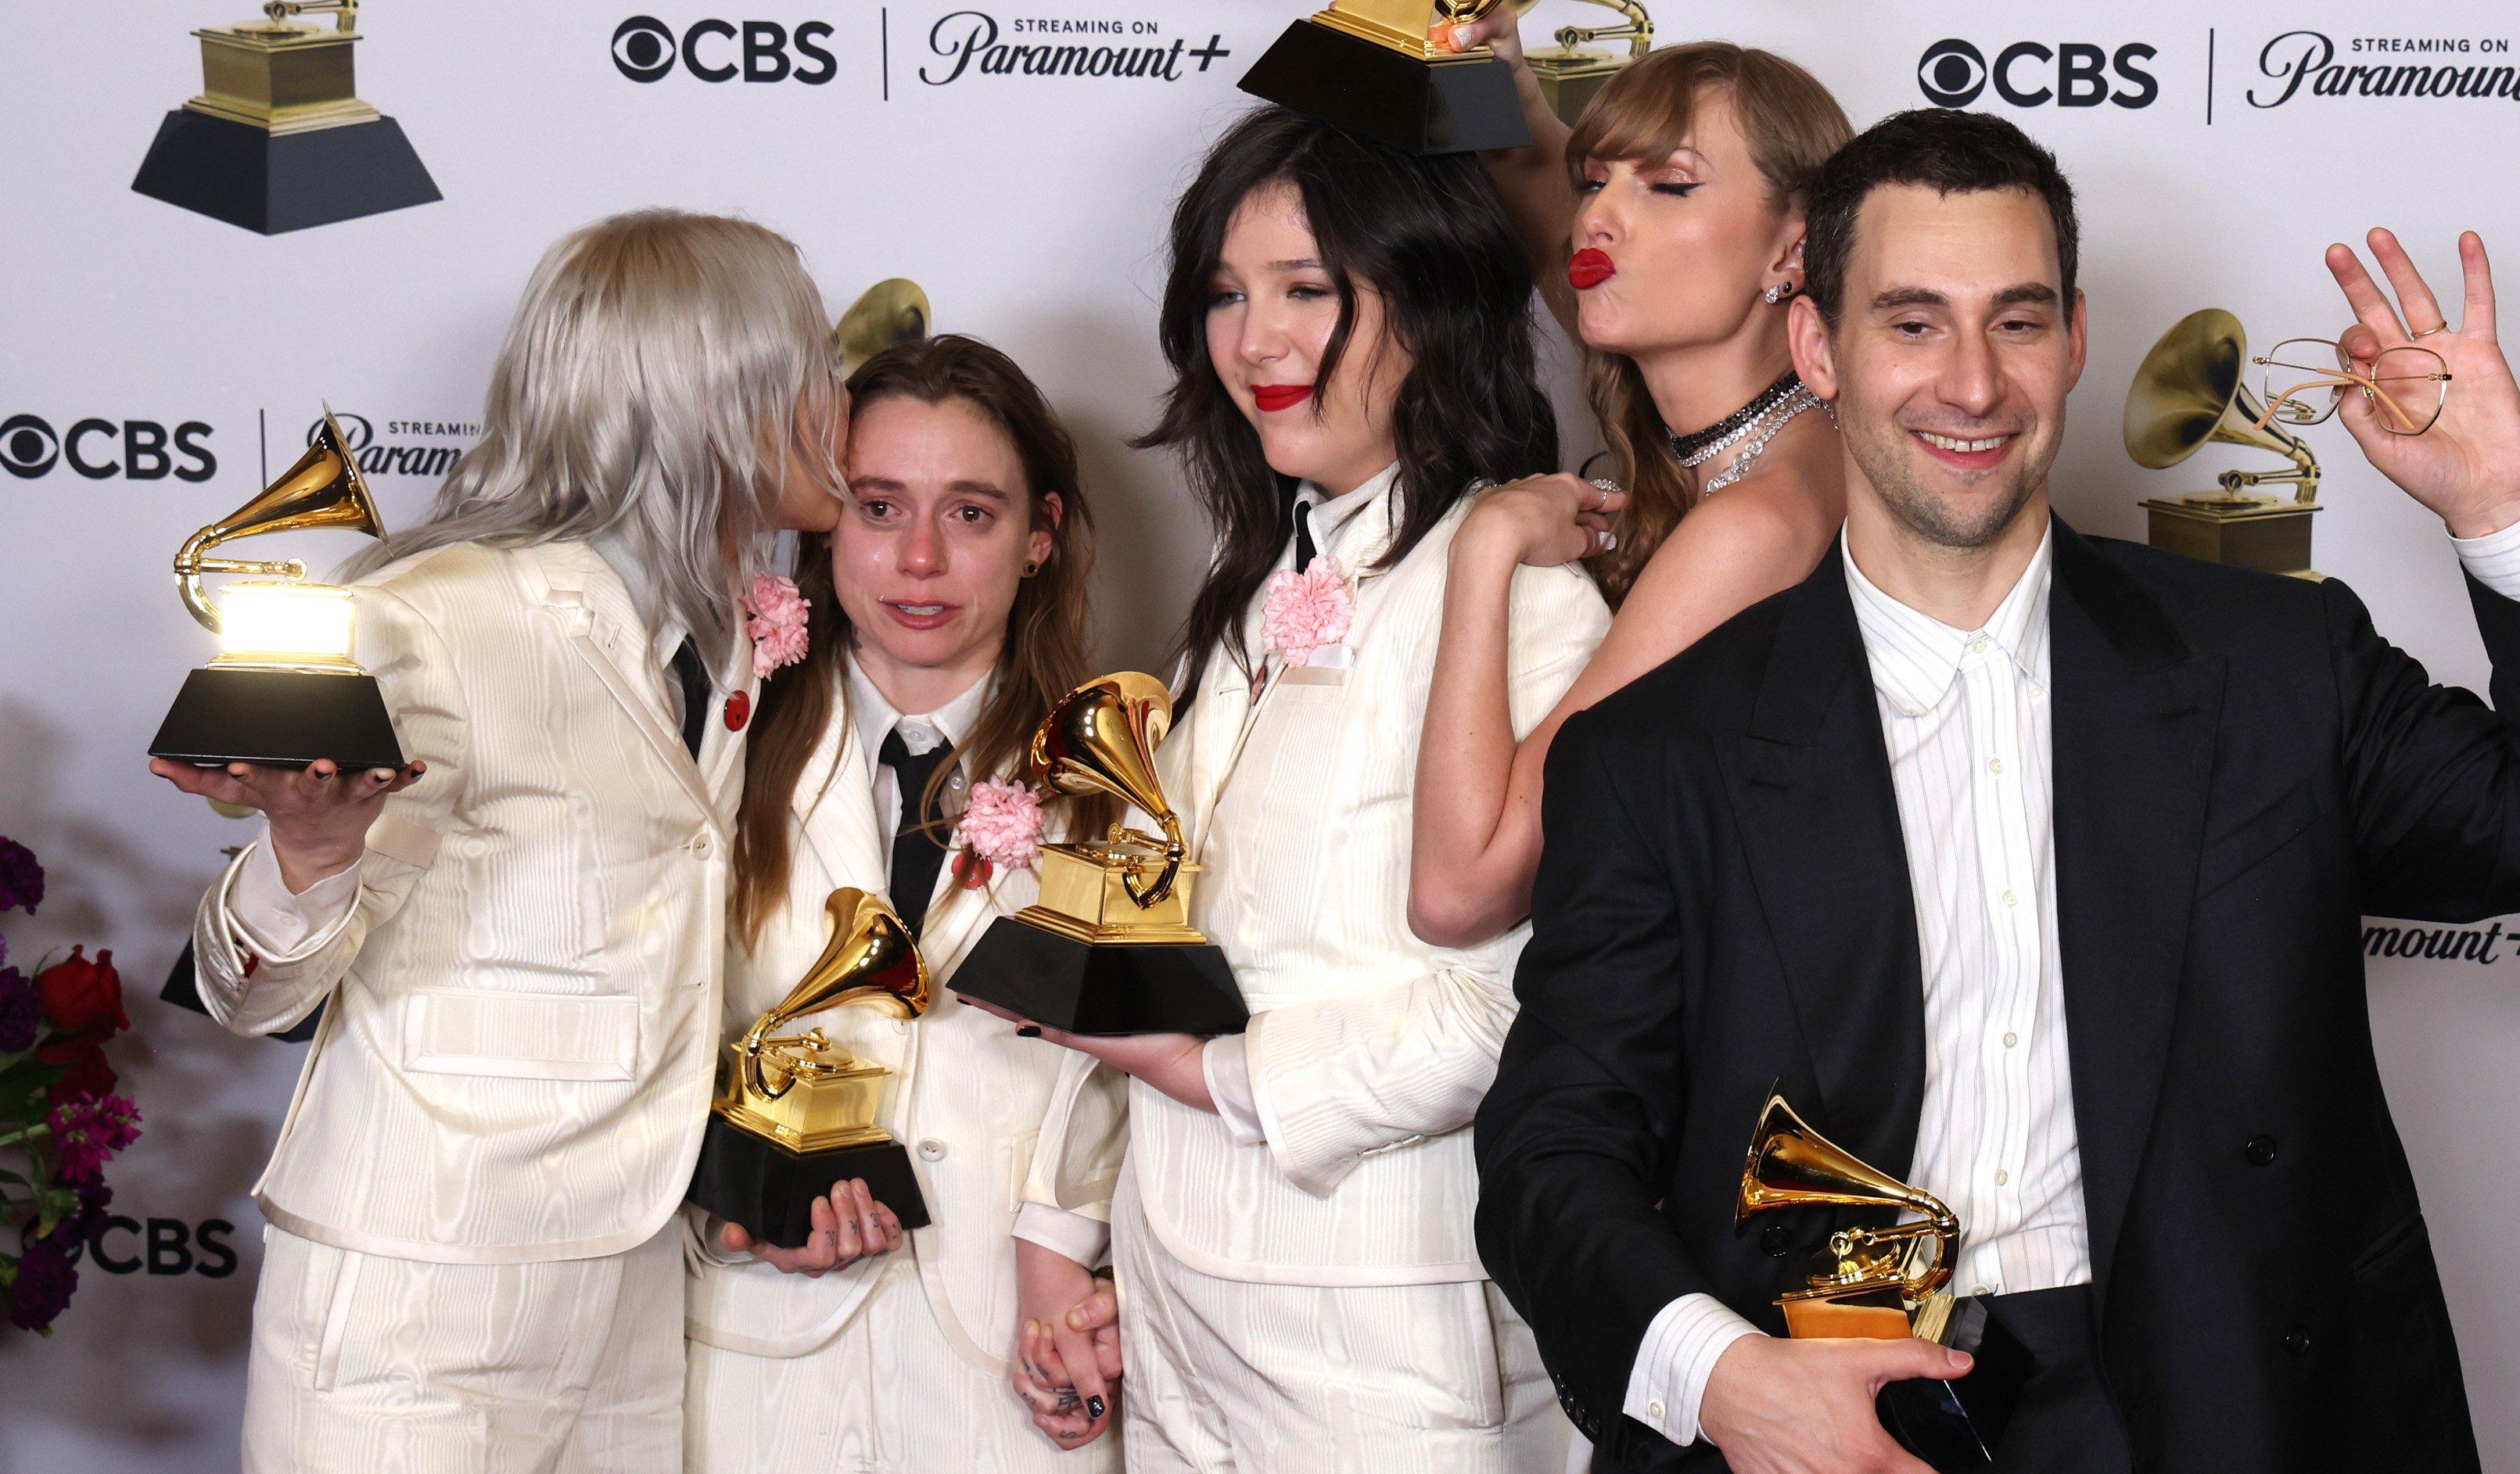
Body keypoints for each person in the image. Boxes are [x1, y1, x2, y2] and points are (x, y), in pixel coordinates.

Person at [1473, 108, 2520, 1473]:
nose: (1969, 383)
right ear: (1816, 346)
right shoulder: (1660, 751)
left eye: (2011, 322)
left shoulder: (2273, 666)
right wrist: (1722, 1381)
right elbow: (1550, 1150)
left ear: (2071, 338)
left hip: (2226, 1399)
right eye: (1909, 322)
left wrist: (2501, 504)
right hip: (1825, 1420)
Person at [154, 210, 849, 1472]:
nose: (836, 400)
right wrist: (308, 854)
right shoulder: (429, 620)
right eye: (809, 366)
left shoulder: (731, 637)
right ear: (712, 395)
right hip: (424, 1304)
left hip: (631, 1304)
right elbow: (244, 990)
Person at [1007, 104, 1613, 1472]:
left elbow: (1510, 1005)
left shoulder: (1521, 602)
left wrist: (1217, 1075)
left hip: (1391, 1342)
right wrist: (1059, 1233)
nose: (1255, 340)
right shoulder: (1248, 594)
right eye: (1225, 294)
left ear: (1430, 304)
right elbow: (1149, 945)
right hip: (1177, 1321)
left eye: (1306, 291)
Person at [680, 335, 1129, 1469]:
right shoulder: (707, 760)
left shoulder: (1121, 778)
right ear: (824, 523)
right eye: (879, 507)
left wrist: (1067, 1243)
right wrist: (728, 1204)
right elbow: (638, 1035)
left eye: (971, 514)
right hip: (752, 1376)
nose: (919, 559)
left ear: (1040, 536)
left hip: (1016, 1372)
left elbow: (1136, 1070)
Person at [1409, 31, 1853, 946]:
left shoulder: (1755, 525)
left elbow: (1462, 893)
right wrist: (1497, 76)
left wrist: (1483, 549)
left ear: (1792, 250)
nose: (1597, 221)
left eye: (1670, 185)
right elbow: (1541, 193)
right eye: (1595, 180)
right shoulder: (1765, 447)